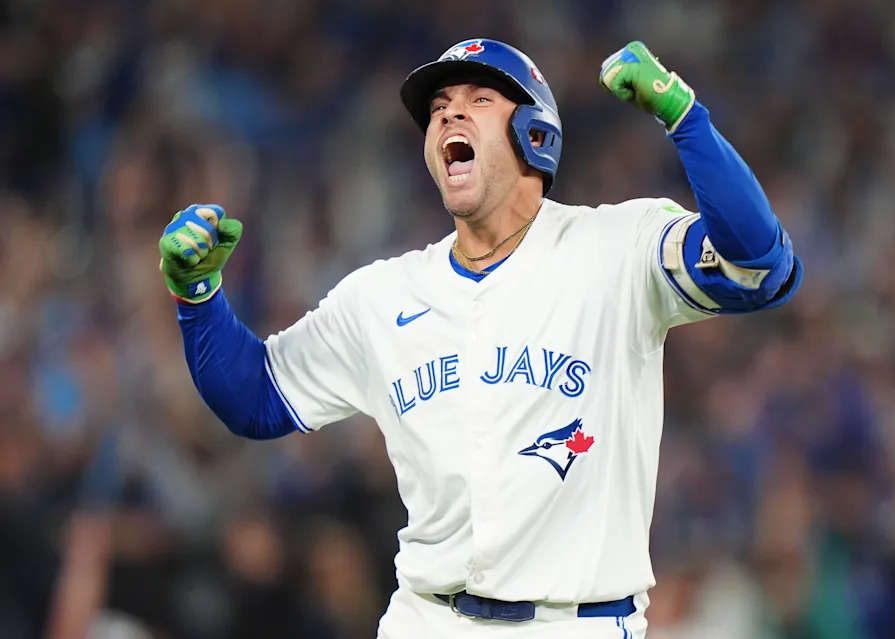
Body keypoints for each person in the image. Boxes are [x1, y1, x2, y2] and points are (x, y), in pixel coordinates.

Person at [159, 39, 802, 638]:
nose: (448, 118)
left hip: (576, 623)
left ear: (535, 134)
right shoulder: (383, 295)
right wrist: (198, 299)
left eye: (478, 102)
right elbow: (255, 399)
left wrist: (683, 116)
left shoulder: (617, 249)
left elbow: (758, 265)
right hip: (427, 618)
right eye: (439, 110)